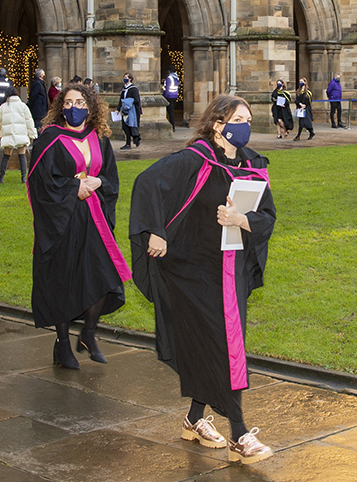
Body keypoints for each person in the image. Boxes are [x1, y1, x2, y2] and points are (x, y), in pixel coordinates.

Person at [129, 93, 276, 465]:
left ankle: (195, 419)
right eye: (238, 119)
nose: (245, 126)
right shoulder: (195, 160)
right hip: (194, 269)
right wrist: (156, 232)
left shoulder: (252, 166)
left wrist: (241, 220)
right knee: (224, 346)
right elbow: (148, 184)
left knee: (220, 343)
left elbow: (267, 217)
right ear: (217, 124)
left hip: (232, 271)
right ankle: (240, 434)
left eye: (248, 119)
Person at [27, 83, 130, 369]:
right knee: (64, 280)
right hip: (62, 221)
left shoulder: (99, 139)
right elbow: (41, 183)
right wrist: (74, 187)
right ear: (61, 107)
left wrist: (98, 182)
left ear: (91, 107)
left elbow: (110, 177)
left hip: (94, 220)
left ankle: (88, 333)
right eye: (69, 103)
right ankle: (62, 344)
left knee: (102, 276)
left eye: (81, 103)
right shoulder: (48, 139)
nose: (75, 108)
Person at [0, 90, 37, 184]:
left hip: (8, 134)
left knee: (6, 155)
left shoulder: (3, 107)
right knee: (22, 155)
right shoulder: (23, 106)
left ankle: (1, 178)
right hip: (21, 133)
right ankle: (23, 178)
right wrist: (32, 135)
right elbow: (29, 121)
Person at [118, 73, 142, 149]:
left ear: (130, 79)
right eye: (124, 77)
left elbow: (136, 100)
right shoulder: (124, 88)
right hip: (125, 110)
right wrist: (118, 109)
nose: (124, 79)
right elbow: (121, 100)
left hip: (132, 111)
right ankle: (134, 138)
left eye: (126, 77)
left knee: (130, 126)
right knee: (124, 127)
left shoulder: (133, 89)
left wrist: (128, 102)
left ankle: (130, 142)